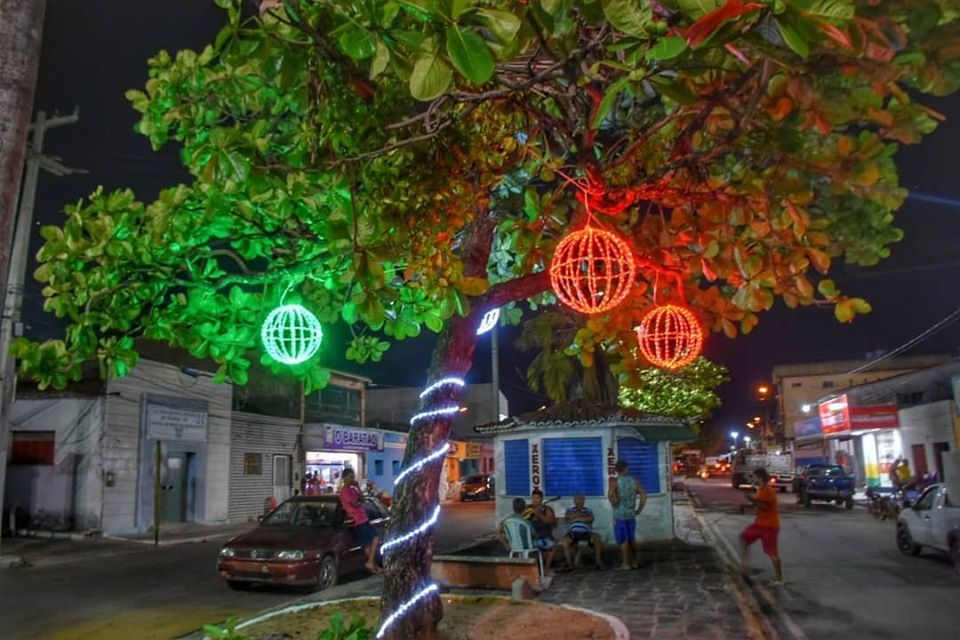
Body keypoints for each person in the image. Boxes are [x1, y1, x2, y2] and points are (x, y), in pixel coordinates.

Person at [739, 467, 783, 586]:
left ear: (760, 478)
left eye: (754, 477)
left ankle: (779, 578)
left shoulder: (768, 491)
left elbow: (764, 506)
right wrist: (746, 506)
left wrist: (750, 498)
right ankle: (744, 567)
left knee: (772, 552)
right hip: (759, 524)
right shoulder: (761, 490)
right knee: (743, 538)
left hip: (769, 526)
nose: (753, 480)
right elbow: (758, 505)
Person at [338, 468, 381, 574]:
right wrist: (358, 503)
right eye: (350, 477)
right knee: (373, 540)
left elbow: (362, 500)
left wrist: (357, 488)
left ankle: (373, 565)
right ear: (345, 478)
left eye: (353, 477)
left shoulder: (353, 490)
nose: (352, 479)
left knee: (370, 544)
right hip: (357, 520)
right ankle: (371, 563)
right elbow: (355, 504)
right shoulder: (344, 491)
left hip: (363, 518)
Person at [609, 459, 647, 570]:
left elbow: (611, 495)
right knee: (631, 538)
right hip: (631, 514)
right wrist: (639, 509)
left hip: (619, 514)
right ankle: (634, 562)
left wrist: (614, 502)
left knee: (623, 539)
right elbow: (644, 495)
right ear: (625, 468)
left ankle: (626, 563)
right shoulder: (634, 481)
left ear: (617, 470)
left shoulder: (615, 482)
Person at [561, 494, 604, 571]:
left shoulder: (588, 510)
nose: (580, 501)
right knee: (565, 541)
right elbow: (567, 517)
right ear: (574, 501)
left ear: (584, 501)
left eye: (581, 499)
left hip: (586, 532)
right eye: (578, 499)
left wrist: (575, 518)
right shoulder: (569, 510)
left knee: (598, 537)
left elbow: (590, 519)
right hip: (573, 532)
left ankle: (598, 562)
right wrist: (581, 516)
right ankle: (569, 564)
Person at [526, 489, 559, 574]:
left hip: (545, 538)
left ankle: (546, 568)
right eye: (534, 498)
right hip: (531, 539)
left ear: (541, 499)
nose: (535, 500)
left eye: (538, 498)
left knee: (554, 545)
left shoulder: (547, 509)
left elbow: (552, 521)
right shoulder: (527, 508)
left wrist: (540, 515)